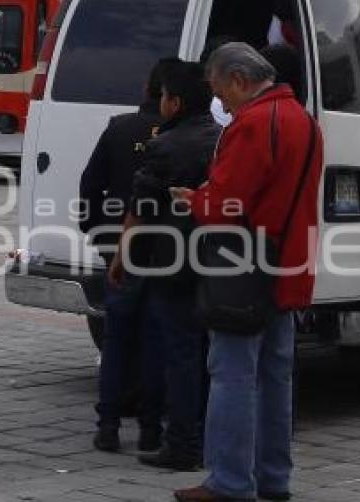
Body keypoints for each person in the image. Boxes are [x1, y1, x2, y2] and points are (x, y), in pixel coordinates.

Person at [172, 43, 323, 501]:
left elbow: (224, 208)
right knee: (277, 376)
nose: (219, 101)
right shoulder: (304, 120)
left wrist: (191, 199)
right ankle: (274, 477)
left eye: (219, 89)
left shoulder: (255, 123)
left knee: (232, 373)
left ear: (238, 78)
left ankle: (230, 480)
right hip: (290, 262)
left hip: (245, 267)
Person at [109, 61, 221, 472]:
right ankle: (210, 437)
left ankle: (182, 443)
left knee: (180, 355)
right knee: (211, 352)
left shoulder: (165, 145)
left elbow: (139, 210)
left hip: (172, 264)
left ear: (173, 102)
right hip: (216, 261)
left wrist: (121, 257)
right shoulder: (223, 139)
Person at [80, 58, 180, 454]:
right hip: (165, 250)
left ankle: (108, 424)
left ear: (147, 90)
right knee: (155, 337)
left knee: (117, 337)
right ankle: (151, 429)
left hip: (119, 247)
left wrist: (92, 227)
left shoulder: (120, 127)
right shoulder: (188, 135)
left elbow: (91, 184)